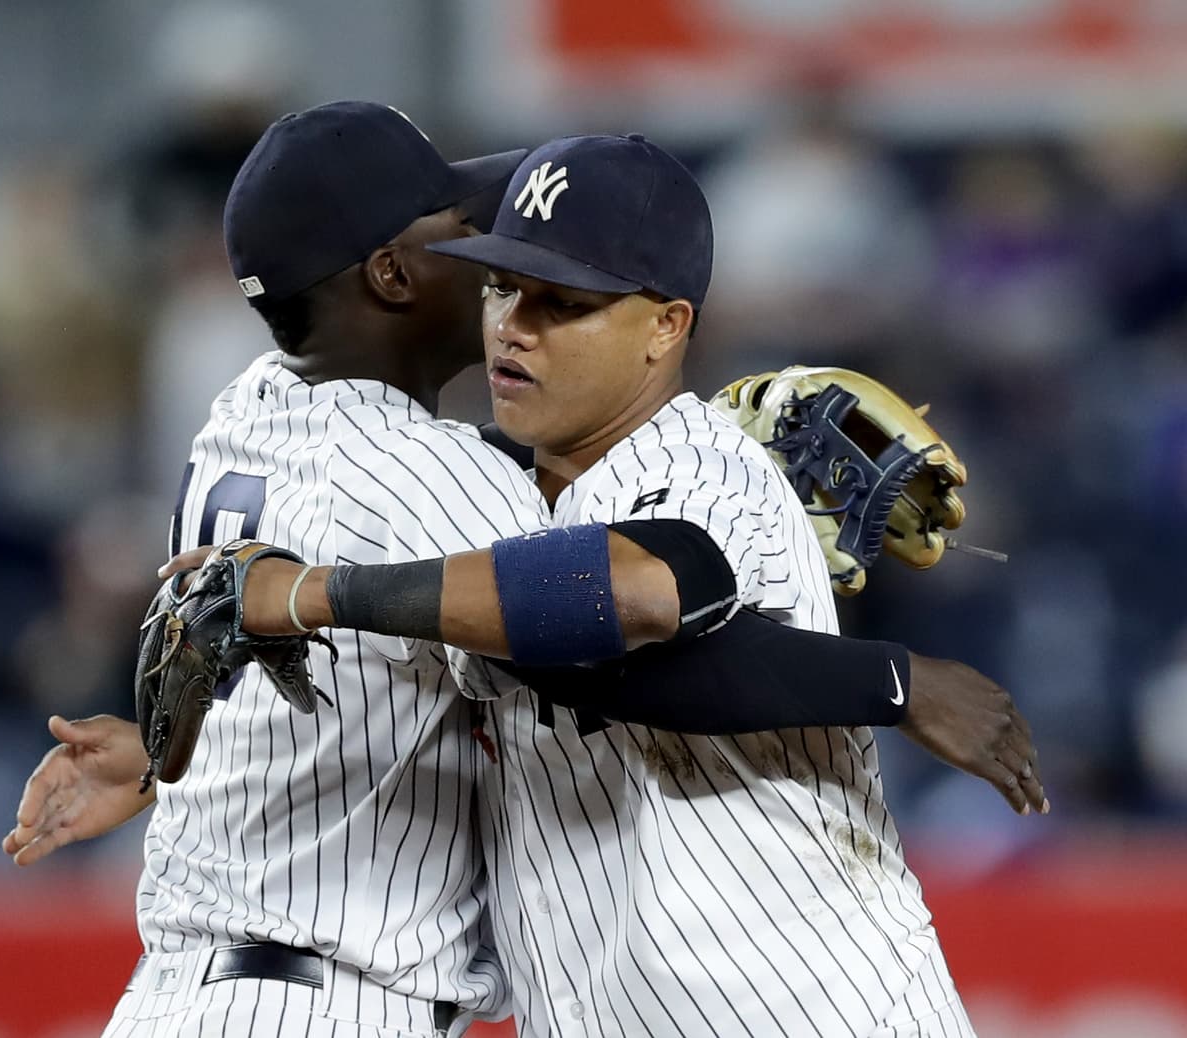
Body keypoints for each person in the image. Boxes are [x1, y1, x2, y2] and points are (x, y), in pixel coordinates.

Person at [172, 133, 1036, 1036]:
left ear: (666, 326)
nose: (515, 324)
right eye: (503, 284)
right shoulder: (480, 495)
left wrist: (316, 593)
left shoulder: (709, 471)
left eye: (565, 304)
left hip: (803, 1006)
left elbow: (637, 635)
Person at [26, 99, 544, 1038]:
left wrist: (162, 767)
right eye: (460, 230)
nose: (489, 260)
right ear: (392, 273)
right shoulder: (430, 470)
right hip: (327, 999)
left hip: (185, 995)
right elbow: (595, 662)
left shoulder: (246, 409)